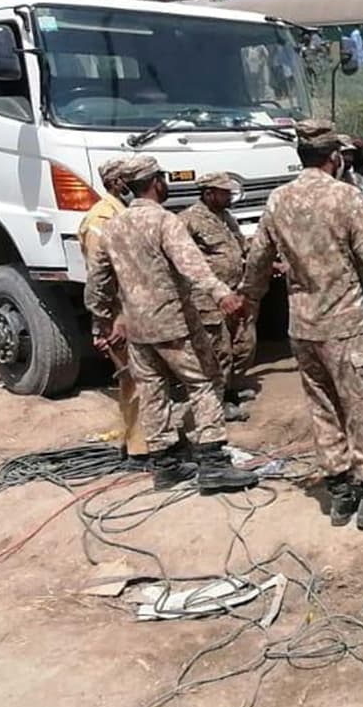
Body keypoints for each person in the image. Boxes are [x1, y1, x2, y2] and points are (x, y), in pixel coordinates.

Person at [243, 121, 363, 530]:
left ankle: (340, 493)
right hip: (346, 327)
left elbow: (258, 261)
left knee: (324, 409)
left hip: (302, 328)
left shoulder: (278, 200)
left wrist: (246, 299)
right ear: (335, 158)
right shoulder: (346, 198)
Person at [85, 156, 256, 493]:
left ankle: (166, 465)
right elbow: (191, 264)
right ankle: (213, 463)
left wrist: (101, 322)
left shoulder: (114, 226)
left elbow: (97, 283)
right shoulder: (164, 220)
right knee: (204, 382)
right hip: (174, 323)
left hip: (137, 328)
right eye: (162, 179)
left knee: (153, 391)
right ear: (156, 182)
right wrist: (222, 294)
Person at [77, 160, 143, 457]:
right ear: (116, 183)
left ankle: (143, 441)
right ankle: (139, 449)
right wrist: (108, 321)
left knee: (143, 379)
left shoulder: (121, 213)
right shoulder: (101, 219)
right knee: (132, 380)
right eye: (128, 179)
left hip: (135, 310)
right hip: (119, 315)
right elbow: (99, 278)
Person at [180, 171, 254, 411]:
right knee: (218, 349)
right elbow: (181, 257)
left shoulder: (226, 217)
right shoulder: (189, 219)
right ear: (208, 194)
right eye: (224, 193)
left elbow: (241, 247)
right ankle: (217, 402)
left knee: (244, 343)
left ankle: (231, 386)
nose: (229, 196)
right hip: (207, 297)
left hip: (234, 292)